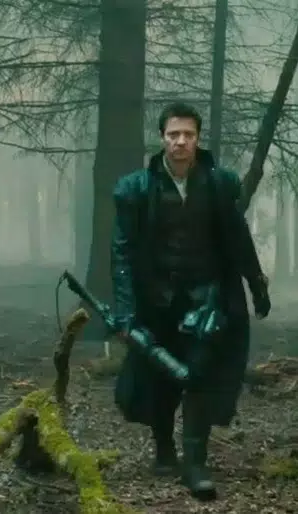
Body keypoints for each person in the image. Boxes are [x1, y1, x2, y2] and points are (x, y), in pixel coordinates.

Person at [110, 102, 270, 501]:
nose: (181, 142)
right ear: (162, 138)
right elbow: (122, 252)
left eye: (188, 135)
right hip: (156, 300)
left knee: (199, 376)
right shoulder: (136, 189)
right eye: (173, 134)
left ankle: (195, 463)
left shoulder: (219, 184)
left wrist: (256, 285)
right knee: (158, 375)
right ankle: (165, 450)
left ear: (198, 139)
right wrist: (126, 313)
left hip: (206, 299)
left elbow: (238, 238)